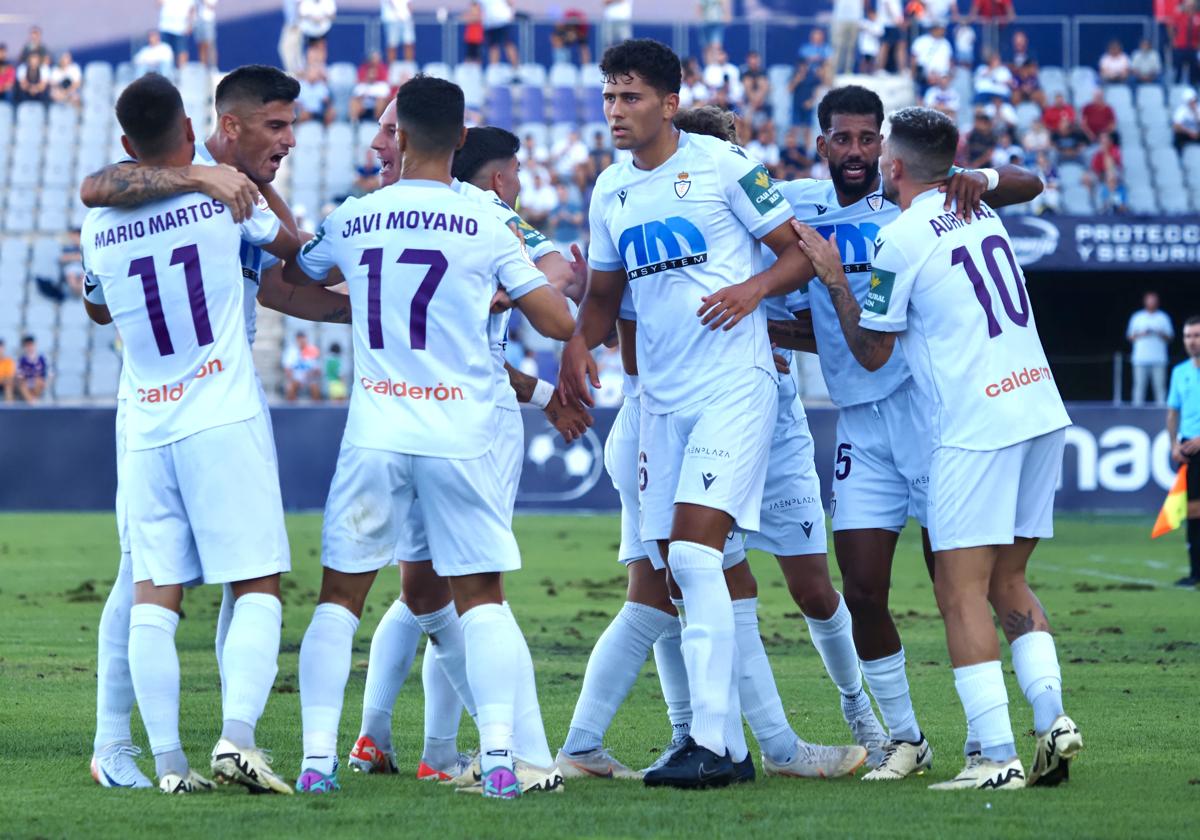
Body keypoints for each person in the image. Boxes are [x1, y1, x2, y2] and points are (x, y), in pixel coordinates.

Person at [284, 76, 574, 799]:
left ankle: (319, 760)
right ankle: (502, 758)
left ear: (403, 138)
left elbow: (298, 273)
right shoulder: (486, 220)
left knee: (338, 600)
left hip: (378, 430)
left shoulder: (357, 215)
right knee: (482, 599)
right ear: (461, 141)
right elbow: (559, 322)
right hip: (463, 435)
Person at [78, 63, 352, 791]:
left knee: (152, 589)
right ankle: (214, 739)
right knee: (242, 580)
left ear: (126, 140)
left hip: (148, 418)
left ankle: (169, 762)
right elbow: (304, 256)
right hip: (215, 411)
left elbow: (99, 304)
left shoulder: (100, 223)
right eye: (277, 126)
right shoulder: (226, 199)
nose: (287, 139)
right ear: (205, 129)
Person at [558, 38, 818, 790]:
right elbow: (606, 296)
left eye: (630, 96)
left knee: (698, 556)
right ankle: (719, 745)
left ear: (669, 104)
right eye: (609, 96)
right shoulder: (610, 188)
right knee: (678, 567)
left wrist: (754, 290)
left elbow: (798, 251)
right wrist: (579, 346)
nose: (616, 110)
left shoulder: (724, 165)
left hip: (734, 389)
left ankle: (717, 744)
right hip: (661, 403)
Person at [796, 105, 1080, 791]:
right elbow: (1022, 184)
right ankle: (1051, 719)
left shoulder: (900, 235)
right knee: (1000, 581)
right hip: (1037, 404)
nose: (864, 152)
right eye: (847, 137)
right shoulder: (980, 211)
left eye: (876, 141)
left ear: (893, 163)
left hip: (964, 423)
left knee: (959, 591)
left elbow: (870, 349)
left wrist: (835, 279)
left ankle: (994, 756)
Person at [1167, 315, 1200, 587]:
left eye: (1197, 335)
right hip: (1189, 448)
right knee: (1192, 512)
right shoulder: (1180, 372)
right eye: (1188, 336)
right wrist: (1174, 445)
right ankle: (1195, 572)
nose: (1192, 341)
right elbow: (1172, 411)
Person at [1128, 292, 1175, 407]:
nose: (1151, 303)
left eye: (1153, 300)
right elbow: (1130, 336)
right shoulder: (1137, 317)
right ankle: (1136, 412)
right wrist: (1142, 333)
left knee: (1160, 388)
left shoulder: (1163, 317)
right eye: (1149, 300)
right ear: (1145, 302)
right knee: (1139, 387)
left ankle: (1162, 412)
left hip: (1159, 359)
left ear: (1157, 302)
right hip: (1140, 359)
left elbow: (1170, 337)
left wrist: (1159, 333)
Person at [349, 51, 390, 122]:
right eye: (370, 73)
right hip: (363, 107)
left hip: (376, 107)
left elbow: (385, 96)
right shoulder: (361, 85)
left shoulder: (381, 85)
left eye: (373, 73)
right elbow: (356, 95)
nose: (372, 75)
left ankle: (377, 122)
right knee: (354, 101)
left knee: (380, 102)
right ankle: (354, 122)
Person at [282, 331, 322, 400]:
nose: (301, 341)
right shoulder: (291, 351)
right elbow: (287, 369)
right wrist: (292, 379)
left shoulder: (312, 350)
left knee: (315, 387)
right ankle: (291, 408)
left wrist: (313, 373)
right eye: (299, 339)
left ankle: (316, 409)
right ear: (296, 340)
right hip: (295, 377)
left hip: (310, 377)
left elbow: (317, 370)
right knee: (290, 388)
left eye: (303, 338)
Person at [481, 0, 518, 68]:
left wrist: (511, 12)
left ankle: (516, 70)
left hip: (503, 20)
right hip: (490, 23)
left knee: (508, 45)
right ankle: (494, 70)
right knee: (493, 47)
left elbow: (511, 2)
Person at [159, 0, 195, 67]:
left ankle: (182, 73)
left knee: (181, 51)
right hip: (166, 25)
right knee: (165, 53)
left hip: (181, 26)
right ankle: (168, 73)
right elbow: (159, 3)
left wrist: (190, 24)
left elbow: (192, 8)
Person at [830, 0, 863, 76]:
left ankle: (848, 71)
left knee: (851, 47)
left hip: (855, 18)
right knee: (837, 46)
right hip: (840, 18)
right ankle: (834, 71)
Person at [15, 335, 49, 402]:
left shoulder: (41, 359)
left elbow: (46, 374)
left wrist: (45, 381)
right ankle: (32, 403)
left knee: (38, 381)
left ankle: (33, 401)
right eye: (27, 345)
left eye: (31, 345)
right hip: (26, 383)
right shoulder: (22, 360)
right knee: (23, 385)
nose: (30, 347)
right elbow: (20, 375)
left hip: (38, 383)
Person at [877, 0, 907, 73]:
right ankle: (880, 69)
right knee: (885, 46)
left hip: (896, 23)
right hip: (888, 23)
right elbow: (887, 5)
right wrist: (897, 20)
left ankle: (901, 69)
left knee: (900, 45)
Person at [194, 0, 219, 69]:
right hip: (197, 21)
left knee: (210, 44)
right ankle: (203, 68)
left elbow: (211, 6)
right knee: (201, 46)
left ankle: (213, 67)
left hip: (208, 20)